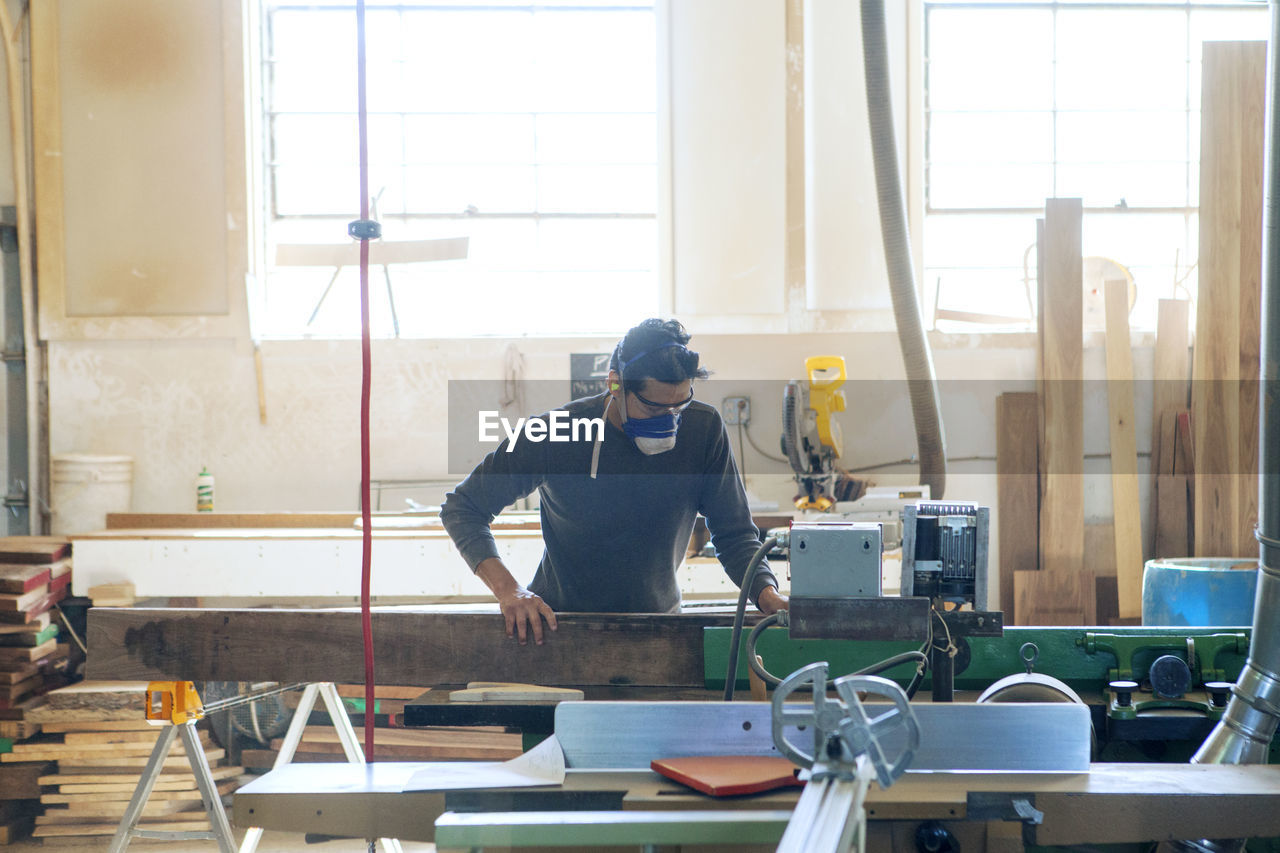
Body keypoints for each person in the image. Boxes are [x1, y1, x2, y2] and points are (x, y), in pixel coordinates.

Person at [441, 318, 788, 644]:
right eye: (654, 410)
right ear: (615, 384)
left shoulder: (704, 429)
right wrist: (509, 591)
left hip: (659, 627)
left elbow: (735, 534)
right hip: (557, 629)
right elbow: (464, 507)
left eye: (678, 409)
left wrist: (767, 594)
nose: (669, 422)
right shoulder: (555, 432)